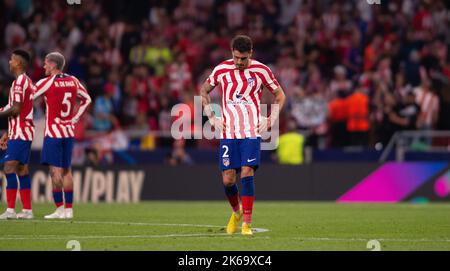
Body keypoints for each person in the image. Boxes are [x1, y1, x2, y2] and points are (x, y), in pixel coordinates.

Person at [200, 35, 286, 235]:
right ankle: (236, 212)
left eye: (243, 59)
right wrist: (212, 117)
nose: (239, 62)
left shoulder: (261, 70)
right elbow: (203, 91)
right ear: (232, 53)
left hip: (251, 131)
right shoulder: (221, 70)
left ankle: (247, 224)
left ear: (251, 54)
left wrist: (271, 119)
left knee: (247, 172)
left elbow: (280, 95)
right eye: (237, 58)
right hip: (229, 131)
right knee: (228, 180)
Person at [33, 52, 92, 219]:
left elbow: (27, 98)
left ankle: (59, 209)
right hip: (68, 132)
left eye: (45, 63)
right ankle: (69, 210)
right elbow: (87, 99)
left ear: (53, 65)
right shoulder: (73, 80)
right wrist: (75, 118)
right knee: (67, 171)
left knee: (54, 171)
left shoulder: (46, 82)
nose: (43, 67)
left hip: (53, 132)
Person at [0, 49, 35, 220]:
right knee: (21, 169)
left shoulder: (21, 82)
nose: (9, 62)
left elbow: (16, 109)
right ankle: (27, 210)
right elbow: (18, 110)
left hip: (21, 132)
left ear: (19, 63)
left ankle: (11, 210)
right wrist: (8, 131)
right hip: (19, 130)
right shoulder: (22, 82)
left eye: (12, 59)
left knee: (8, 167)